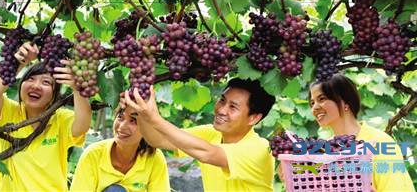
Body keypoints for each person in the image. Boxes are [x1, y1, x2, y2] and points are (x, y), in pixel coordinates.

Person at [124, 78, 276, 191]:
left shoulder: (259, 149)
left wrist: (155, 118)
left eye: (233, 107)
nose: (222, 110)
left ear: (254, 118)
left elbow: (208, 153)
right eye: (222, 100)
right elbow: (159, 140)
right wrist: (139, 112)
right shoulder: (211, 133)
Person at [0, 42, 92, 191]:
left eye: (46, 82)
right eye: (30, 79)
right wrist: (19, 63)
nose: (36, 86)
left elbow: (82, 125)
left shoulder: (60, 119)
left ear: (54, 95)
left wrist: (77, 88)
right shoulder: (10, 112)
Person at [309, 74, 414, 191]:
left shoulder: (379, 144)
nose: (314, 108)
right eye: (312, 103)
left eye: (321, 99)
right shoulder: (324, 151)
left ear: (345, 102)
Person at [70, 102, 170, 191]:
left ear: (148, 129)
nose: (122, 127)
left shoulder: (154, 158)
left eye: (133, 121)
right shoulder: (93, 155)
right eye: (120, 117)